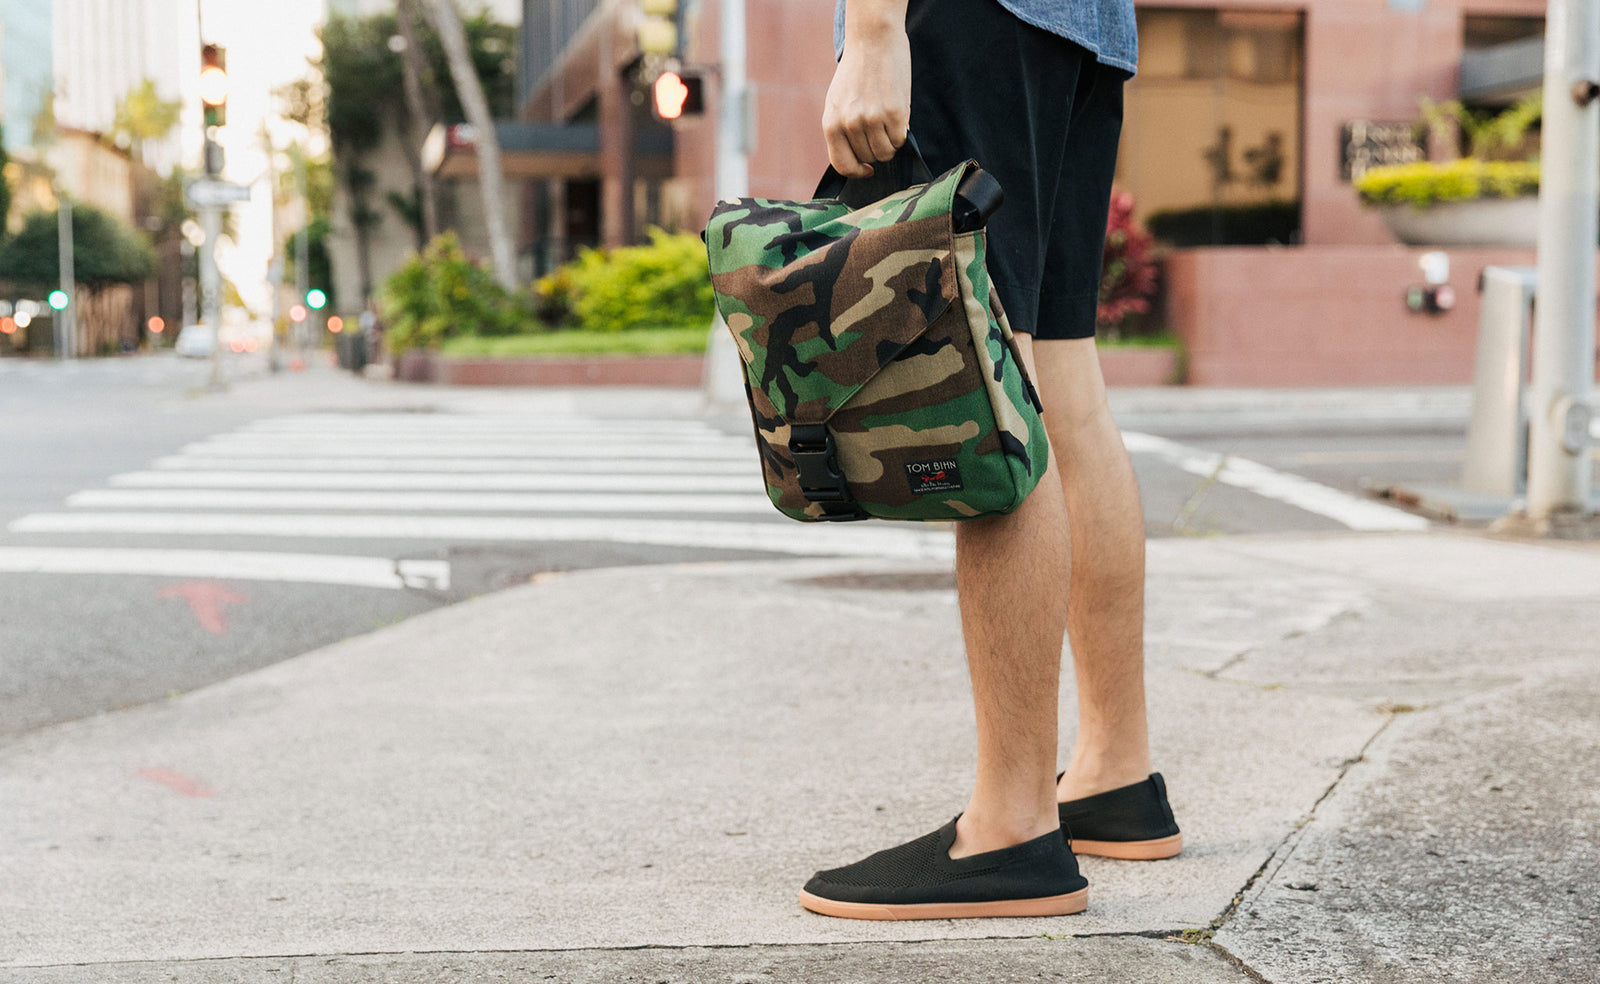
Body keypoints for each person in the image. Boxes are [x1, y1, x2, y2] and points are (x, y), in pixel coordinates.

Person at [797, 0, 1182, 920]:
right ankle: (1114, 775)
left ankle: (1012, 823)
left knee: (988, 368)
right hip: (1083, 29)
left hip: (972, 13)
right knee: (1061, 372)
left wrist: (879, 30)